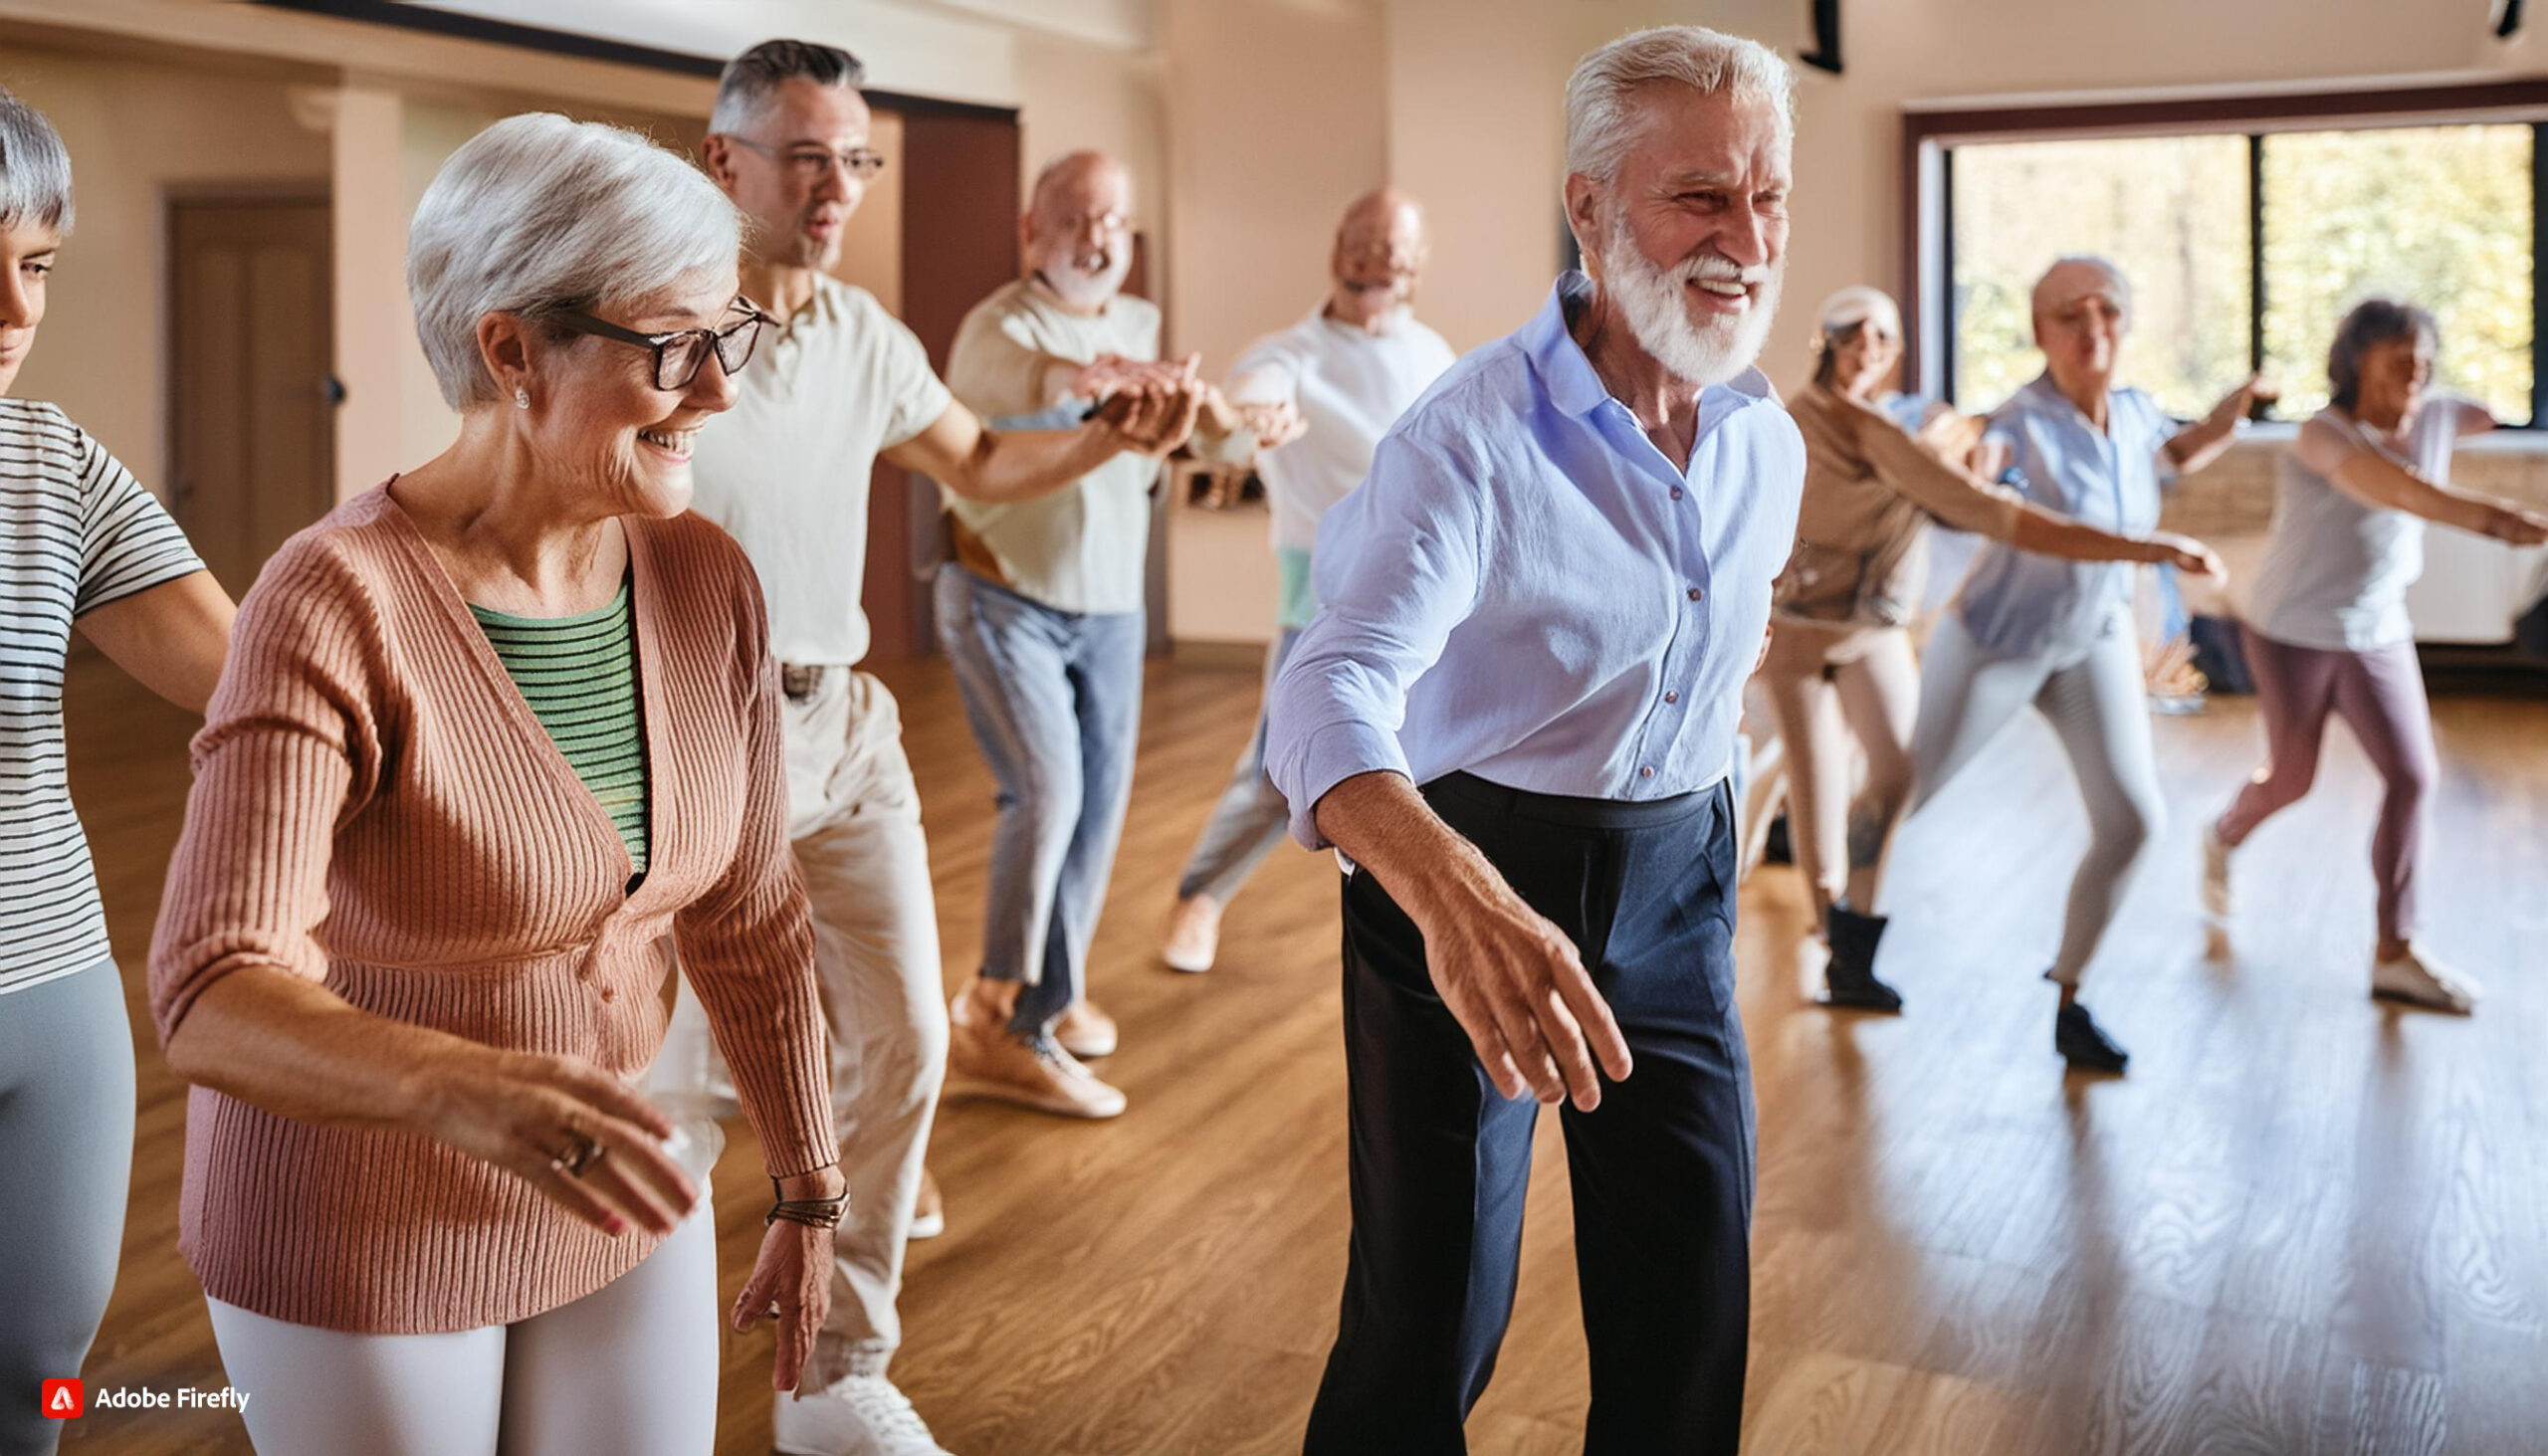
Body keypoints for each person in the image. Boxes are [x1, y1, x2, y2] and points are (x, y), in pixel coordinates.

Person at [144, 114, 840, 1455]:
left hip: (606, 1161)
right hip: (359, 1204)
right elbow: (211, 986)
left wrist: (808, 1185)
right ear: (511, 347)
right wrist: (466, 1089)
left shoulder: (706, 579)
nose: (719, 390)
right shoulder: (334, 596)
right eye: (671, 345)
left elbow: (749, 910)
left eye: (727, 332)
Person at [1268, 27, 1802, 1452]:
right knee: (1432, 1309)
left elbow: (1723, 641)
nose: (1745, 239)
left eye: (1768, 196)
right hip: (1461, 863)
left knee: (1689, 1290)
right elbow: (1323, 690)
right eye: (1700, 197)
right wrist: (1450, 895)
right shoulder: (1468, 439)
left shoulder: (1768, 441)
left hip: (1678, 881)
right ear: (1590, 205)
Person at [677, 41, 1198, 1454]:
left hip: (842, 722)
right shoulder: (654, 328)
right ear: (722, 160)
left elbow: (977, 461)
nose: (835, 184)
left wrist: (1110, 435)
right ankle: (636, 1363)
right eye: (804, 154)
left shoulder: (865, 335)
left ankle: (836, 1369)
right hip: (691, 738)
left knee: (906, 1029)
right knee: (674, 1084)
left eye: (855, 158)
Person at [1765, 285, 2222, 1010]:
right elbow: (1992, 514)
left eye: (1884, 337)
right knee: (1816, 791)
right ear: (1826, 339)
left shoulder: (1894, 426)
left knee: (1894, 776)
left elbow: (1954, 480)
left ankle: (1848, 943)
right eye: (1853, 334)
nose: (1869, 349)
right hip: (1804, 632)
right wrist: (2144, 548)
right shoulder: (1820, 422)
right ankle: (1836, 947)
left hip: (1877, 628)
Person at [0, 87, 234, 1456]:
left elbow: (258, 672)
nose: (17, 313)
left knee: (40, 1373)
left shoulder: (47, 461)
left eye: (34, 263)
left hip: (55, 986)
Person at [1902, 255, 2264, 1074]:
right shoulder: (2017, 423)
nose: (2090, 327)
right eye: (2069, 313)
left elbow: (2171, 456)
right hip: (1996, 638)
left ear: (2125, 323)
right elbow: (1986, 466)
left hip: (2090, 638)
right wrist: (1963, 460)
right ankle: (1845, 933)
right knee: (1906, 796)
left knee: (2133, 821)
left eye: (2105, 310)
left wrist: (2227, 418)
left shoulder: (2134, 414)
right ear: (2039, 332)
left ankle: (2070, 996)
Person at [938, 149, 1208, 1119]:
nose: (1098, 240)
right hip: (1003, 590)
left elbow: (1155, 449)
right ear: (1031, 231)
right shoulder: (997, 325)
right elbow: (1030, 376)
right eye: (1077, 219)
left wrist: (1224, 425)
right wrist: (1091, 379)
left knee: (1097, 812)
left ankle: (1052, 992)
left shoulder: (1139, 321)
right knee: (1045, 792)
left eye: (1113, 222)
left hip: (1109, 603)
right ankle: (997, 1007)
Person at [2206, 299, 2548, 1012]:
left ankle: (2395, 950)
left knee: (2412, 777)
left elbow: (2476, 412)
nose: (2415, 368)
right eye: (2398, 355)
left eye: (2423, 355)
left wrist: (2480, 409)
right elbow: (2389, 487)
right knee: (2292, 779)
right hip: (2293, 630)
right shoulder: (2322, 438)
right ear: (2356, 361)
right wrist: (2495, 521)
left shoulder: (2437, 414)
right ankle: (2222, 835)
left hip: (2376, 629)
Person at [1160, 187, 1456, 975]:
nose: (1374, 263)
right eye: (1361, 244)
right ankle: (1201, 895)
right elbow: (1244, 404)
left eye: (1393, 251)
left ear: (1418, 266)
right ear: (1335, 248)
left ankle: (1419, 923)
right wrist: (1240, 420)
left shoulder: (1434, 356)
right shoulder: (1286, 353)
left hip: (1422, 597)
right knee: (1275, 767)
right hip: (1319, 597)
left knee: (1423, 766)